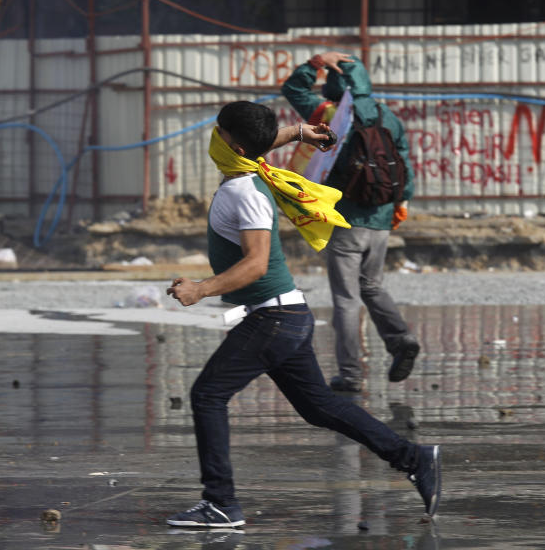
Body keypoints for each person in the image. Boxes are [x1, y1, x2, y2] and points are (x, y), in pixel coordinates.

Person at [165, 100, 441, 528]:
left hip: (273, 320)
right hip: (286, 316)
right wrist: (295, 133)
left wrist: (201, 289)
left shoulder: (245, 191)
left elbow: (256, 263)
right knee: (319, 408)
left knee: (207, 395)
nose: (212, 136)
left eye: (217, 130)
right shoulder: (246, 166)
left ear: (231, 143)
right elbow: (253, 143)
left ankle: (221, 504)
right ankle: (414, 458)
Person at [282, 51, 419, 393]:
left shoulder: (329, 116)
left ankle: (352, 375)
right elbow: (404, 162)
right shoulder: (388, 116)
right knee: (371, 286)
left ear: (334, 86)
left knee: (346, 299)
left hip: (343, 221)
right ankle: (401, 339)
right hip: (381, 219)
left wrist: (314, 63)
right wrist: (400, 203)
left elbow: (292, 89)